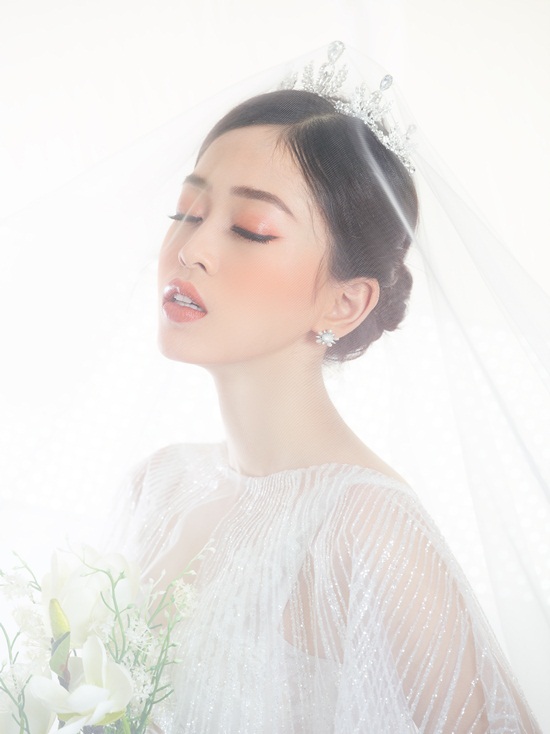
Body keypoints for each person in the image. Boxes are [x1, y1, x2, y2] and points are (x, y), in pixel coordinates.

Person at [119, 44, 543, 732]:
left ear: (345, 303)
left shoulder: (365, 529)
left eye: (251, 229)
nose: (190, 250)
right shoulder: (156, 486)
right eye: (187, 213)